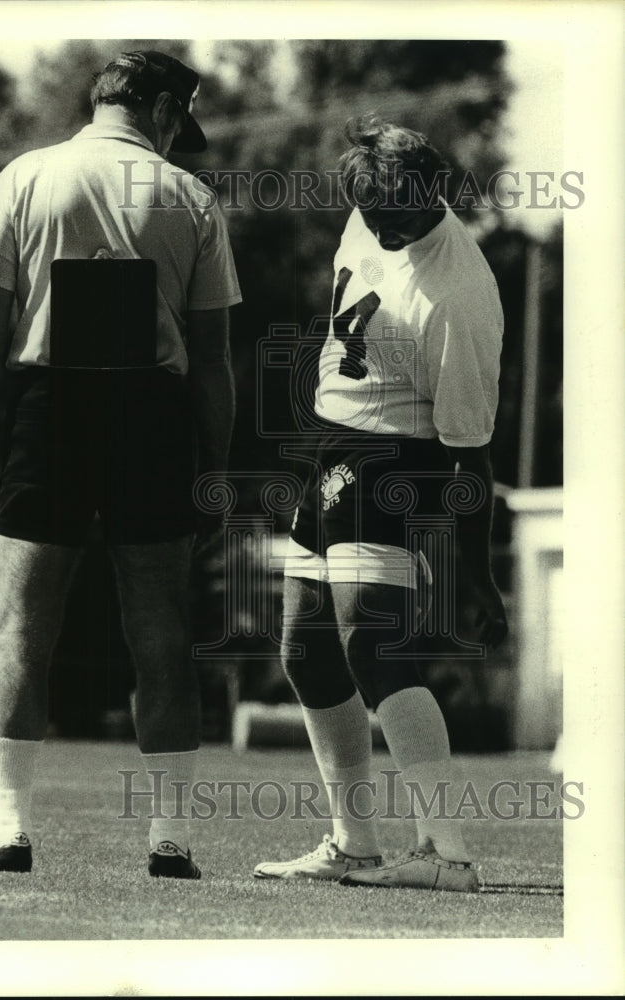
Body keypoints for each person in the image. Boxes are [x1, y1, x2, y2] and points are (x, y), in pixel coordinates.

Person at [0, 50, 241, 879]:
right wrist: (212, 466)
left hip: (49, 409)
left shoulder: (28, 176)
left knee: (23, 628)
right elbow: (214, 358)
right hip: (151, 413)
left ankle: (9, 831)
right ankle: (170, 838)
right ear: (165, 110)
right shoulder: (189, 196)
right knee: (161, 632)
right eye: (181, 119)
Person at [254, 116, 507, 891]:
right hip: (329, 441)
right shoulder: (374, 201)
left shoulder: (459, 295)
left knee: (375, 645)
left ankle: (448, 853)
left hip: (399, 454)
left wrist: (475, 574)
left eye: (399, 214)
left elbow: (469, 453)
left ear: (433, 193)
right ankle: (353, 842)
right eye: (373, 212)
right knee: (305, 649)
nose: (383, 228)